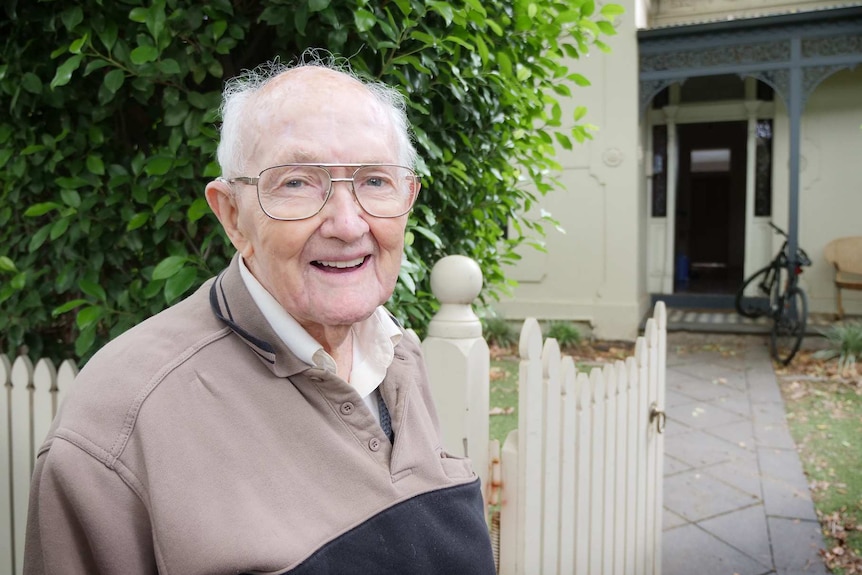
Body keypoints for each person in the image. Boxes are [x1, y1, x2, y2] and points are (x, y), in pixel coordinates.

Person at [24, 53, 496, 574]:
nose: (346, 222)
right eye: (296, 182)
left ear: (408, 198)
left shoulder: (395, 355)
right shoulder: (118, 426)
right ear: (232, 216)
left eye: (375, 181)